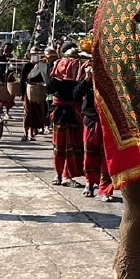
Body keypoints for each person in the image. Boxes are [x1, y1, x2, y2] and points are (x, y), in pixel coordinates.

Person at [48, 44, 86, 186]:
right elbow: (76, 93)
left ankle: (62, 175)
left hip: (64, 111)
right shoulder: (59, 68)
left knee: (62, 146)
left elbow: (50, 89)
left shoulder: (57, 68)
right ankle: (64, 176)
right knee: (65, 146)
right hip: (65, 111)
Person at [80, 63, 114, 201]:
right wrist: (87, 79)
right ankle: (89, 183)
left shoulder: (112, 73)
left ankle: (104, 188)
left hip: (109, 121)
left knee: (107, 157)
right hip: (91, 120)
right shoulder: (87, 73)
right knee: (90, 154)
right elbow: (76, 93)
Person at [21, 46, 52, 141]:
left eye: (37, 55)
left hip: (39, 91)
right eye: (33, 54)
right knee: (28, 112)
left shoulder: (42, 66)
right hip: (28, 91)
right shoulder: (27, 66)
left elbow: (46, 78)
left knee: (38, 112)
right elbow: (22, 80)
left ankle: (33, 132)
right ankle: (26, 133)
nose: (35, 56)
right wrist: (22, 94)